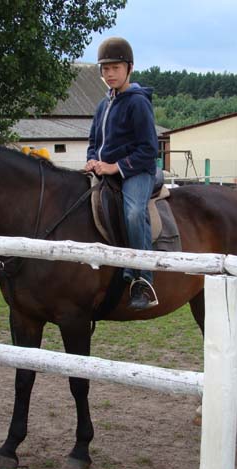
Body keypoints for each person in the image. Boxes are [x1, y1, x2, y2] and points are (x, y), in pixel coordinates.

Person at [85, 36, 159, 310]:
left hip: (136, 171)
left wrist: (115, 167)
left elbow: (148, 149)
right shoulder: (103, 105)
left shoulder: (137, 103)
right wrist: (92, 160)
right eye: (105, 69)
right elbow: (93, 142)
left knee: (134, 213)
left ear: (130, 68)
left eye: (115, 68)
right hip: (105, 170)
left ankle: (143, 280)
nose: (110, 74)